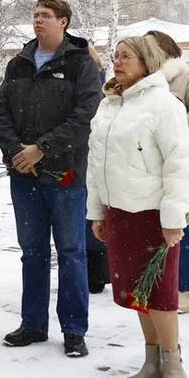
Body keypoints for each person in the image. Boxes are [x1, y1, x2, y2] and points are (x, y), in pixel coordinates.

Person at [87, 36, 189, 378]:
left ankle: (174, 366)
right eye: (115, 56)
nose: (117, 62)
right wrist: (98, 209)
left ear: (146, 62)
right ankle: (152, 362)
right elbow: (95, 162)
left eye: (126, 56)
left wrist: (172, 218)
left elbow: (179, 164)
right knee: (137, 293)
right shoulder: (109, 103)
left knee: (161, 295)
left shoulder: (164, 104)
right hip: (120, 212)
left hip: (153, 214)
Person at [0, 0, 102, 358]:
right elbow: (1, 111)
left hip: (65, 174)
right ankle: (33, 324)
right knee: (33, 252)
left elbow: (84, 117)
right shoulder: (19, 63)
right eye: (35, 15)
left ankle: (73, 329)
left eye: (46, 16)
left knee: (71, 252)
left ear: (64, 22)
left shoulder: (80, 65)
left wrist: (42, 148)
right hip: (24, 175)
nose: (38, 21)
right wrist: (16, 153)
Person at [145, 30, 189, 314]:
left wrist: (170, 125)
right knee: (149, 225)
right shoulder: (143, 81)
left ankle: (182, 287)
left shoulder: (186, 79)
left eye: (149, 48)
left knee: (180, 226)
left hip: (183, 162)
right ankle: (152, 283)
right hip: (148, 164)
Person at [85, 43, 110, 294]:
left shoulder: (94, 83)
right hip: (87, 154)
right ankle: (97, 272)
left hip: (88, 154)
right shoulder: (100, 82)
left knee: (92, 216)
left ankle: (96, 273)